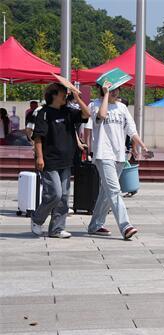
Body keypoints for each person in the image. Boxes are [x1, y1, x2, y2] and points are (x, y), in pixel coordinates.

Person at [85, 83, 150, 240]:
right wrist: (106, 95)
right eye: (111, 89)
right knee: (114, 190)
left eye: (117, 89)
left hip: (119, 155)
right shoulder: (94, 105)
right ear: (103, 90)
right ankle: (125, 226)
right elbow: (100, 117)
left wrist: (143, 146)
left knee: (105, 193)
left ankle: (95, 225)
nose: (116, 92)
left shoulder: (122, 108)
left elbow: (131, 130)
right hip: (103, 154)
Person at [30, 83, 90, 238]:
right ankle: (37, 219)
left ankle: (57, 229)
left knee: (63, 196)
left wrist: (77, 97)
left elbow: (87, 114)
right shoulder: (44, 113)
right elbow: (38, 137)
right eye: (63, 92)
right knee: (54, 194)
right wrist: (39, 157)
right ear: (54, 95)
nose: (66, 94)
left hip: (67, 160)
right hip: (49, 160)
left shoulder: (69, 112)